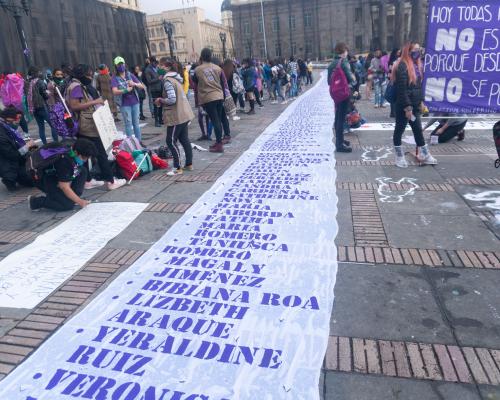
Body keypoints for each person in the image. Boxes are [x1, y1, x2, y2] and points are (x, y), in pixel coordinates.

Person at [66, 64, 126, 190]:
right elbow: (74, 105)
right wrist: (95, 101)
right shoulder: (76, 86)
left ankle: (87, 180)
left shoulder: (73, 84)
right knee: (100, 153)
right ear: (82, 75)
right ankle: (110, 181)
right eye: (88, 74)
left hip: (81, 123)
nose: (90, 77)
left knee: (83, 153)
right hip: (87, 124)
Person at [393, 42, 437, 167]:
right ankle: (399, 157)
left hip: (415, 104)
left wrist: (421, 101)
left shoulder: (417, 65)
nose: (419, 52)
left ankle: (425, 154)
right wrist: (407, 107)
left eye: (419, 49)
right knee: (399, 130)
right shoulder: (402, 65)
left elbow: (419, 86)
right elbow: (402, 89)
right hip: (404, 106)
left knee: (418, 130)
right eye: (416, 50)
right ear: (409, 50)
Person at [28, 138, 97, 211]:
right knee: (67, 205)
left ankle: (68, 197)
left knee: (82, 171)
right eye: (83, 158)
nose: (85, 160)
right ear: (76, 152)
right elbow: (64, 186)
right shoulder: (65, 161)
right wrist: (80, 202)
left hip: (56, 173)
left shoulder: (74, 147)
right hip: (43, 177)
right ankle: (35, 202)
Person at [155, 57, 195, 176]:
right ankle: (189, 164)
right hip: (184, 114)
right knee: (184, 139)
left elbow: (172, 99)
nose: (159, 68)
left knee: (170, 141)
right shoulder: (176, 78)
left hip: (176, 116)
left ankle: (177, 167)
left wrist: (160, 100)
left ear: (167, 67)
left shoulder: (168, 81)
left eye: (160, 66)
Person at [193, 48, 228, 153]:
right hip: (219, 95)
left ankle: (219, 144)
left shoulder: (198, 69)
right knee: (218, 119)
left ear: (202, 57)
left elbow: (195, 82)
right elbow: (222, 82)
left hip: (208, 97)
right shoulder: (218, 68)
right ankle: (218, 142)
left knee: (215, 120)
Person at [328, 42, 356, 153]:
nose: (347, 53)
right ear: (343, 52)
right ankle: (339, 145)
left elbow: (329, 81)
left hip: (336, 93)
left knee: (337, 117)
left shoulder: (331, 64)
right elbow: (351, 79)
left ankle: (340, 140)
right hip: (344, 94)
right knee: (341, 118)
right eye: (346, 51)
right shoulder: (344, 62)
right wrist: (354, 81)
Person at [0, 107, 35, 191]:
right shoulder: (2, 134)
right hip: (8, 165)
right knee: (32, 181)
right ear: (8, 118)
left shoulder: (7, 128)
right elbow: (13, 155)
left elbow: (16, 144)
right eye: (17, 118)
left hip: (15, 161)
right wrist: (27, 146)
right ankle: (9, 180)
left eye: (20, 118)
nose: (19, 121)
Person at [111, 57, 144, 140]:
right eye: (119, 64)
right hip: (124, 104)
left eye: (122, 63)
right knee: (128, 124)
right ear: (115, 66)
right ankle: (130, 143)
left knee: (136, 123)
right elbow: (114, 91)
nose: (121, 66)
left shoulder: (129, 74)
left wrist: (134, 84)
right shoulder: (114, 77)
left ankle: (138, 142)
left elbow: (141, 86)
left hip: (135, 102)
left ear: (125, 64)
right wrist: (125, 90)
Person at [27, 66, 58, 144]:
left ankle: (44, 144)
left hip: (34, 108)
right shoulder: (39, 82)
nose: (40, 73)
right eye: (39, 72)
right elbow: (44, 94)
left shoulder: (28, 83)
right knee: (53, 125)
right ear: (36, 73)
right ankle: (56, 143)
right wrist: (48, 94)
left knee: (41, 127)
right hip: (42, 106)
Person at [144, 57, 164, 127]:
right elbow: (149, 81)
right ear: (152, 62)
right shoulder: (148, 70)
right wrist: (158, 79)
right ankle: (156, 121)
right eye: (155, 63)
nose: (156, 64)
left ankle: (161, 119)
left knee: (161, 104)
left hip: (160, 88)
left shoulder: (157, 68)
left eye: (157, 63)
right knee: (156, 106)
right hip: (154, 90)